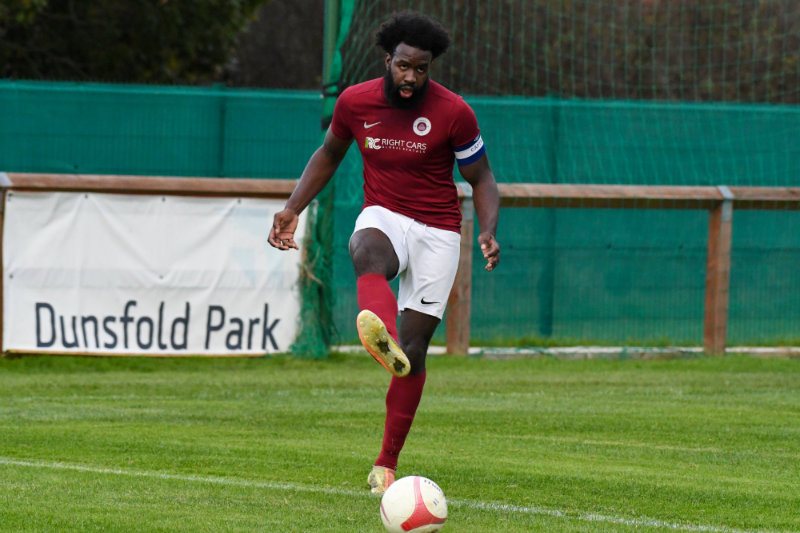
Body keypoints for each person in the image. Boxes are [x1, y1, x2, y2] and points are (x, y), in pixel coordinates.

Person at [268, 11, 500, 495]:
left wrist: (488, 231)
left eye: (421, 68)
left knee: (413, 353)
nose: (411, 77)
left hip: (439, 231)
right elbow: (329, 154)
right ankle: (381, 336)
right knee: (364, 248)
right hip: (385, 213)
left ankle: (386, 463)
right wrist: (292, 208)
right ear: (387, 60)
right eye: (403, 66)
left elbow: (481, 178)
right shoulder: (355, 102)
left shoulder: (455, 111)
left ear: (430, 66)